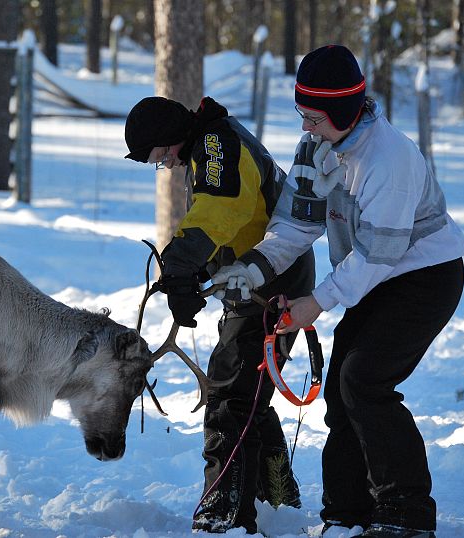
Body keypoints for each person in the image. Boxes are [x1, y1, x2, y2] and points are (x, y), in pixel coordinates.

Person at [212, 45, 464, 538]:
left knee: (364, 382)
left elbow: (377, 255)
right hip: (373, 276)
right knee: (341, 390)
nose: (306, 127)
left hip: (424, 277)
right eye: (301, 114)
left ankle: (405, 514)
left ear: (345, 111)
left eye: (314, 116)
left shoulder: (388, 159)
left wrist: (314, 302)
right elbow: (295, 224)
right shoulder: (317, 148)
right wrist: (253, 268)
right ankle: (348, 514)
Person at [124, 95, 316, 534]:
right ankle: (279, 501)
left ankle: (224, 515)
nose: (165, 165)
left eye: (159, 156)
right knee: (248, 394)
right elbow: (230, 214)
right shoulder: (210, 144)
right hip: (257, 280)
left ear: (170, 138)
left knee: (230, 398)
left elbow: (221, 208)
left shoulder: (215, 145)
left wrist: (181, 262)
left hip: (273, 282)